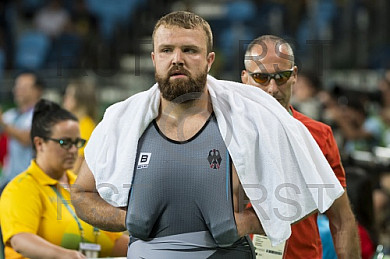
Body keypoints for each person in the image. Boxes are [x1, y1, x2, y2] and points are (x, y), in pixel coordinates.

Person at [71, 11, 345, 258]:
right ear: (154, 58)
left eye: (190, 50)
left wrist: (249, 222)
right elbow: (82, 194)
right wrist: (124, 219)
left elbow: (314, 190)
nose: (177, 59)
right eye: (167, 50)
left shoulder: (249, 120)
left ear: (209, 59)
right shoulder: (122, 121)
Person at [241, 34, 360, 258]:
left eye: (282, 76)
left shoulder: (319, 135)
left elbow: (341, 219)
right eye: (261, 78)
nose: (272, 89)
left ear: (294, 75)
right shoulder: (224, 134)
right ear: (244, 78)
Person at [0, 99, 129, 259]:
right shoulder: (21, 188)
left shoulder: (85, 189)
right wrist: (65, 255)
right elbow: (20, 240)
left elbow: (112, 242)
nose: (74, 150)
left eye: (77, 142)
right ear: (40, 143)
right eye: (65, 142)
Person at [0, 71, 43, 191]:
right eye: (17, 86)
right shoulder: (11, 115)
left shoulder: (44, 114)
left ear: (37, 91)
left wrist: (3, 123)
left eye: (23, 87)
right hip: (10, 180)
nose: (17, 90)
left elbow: (27, 139)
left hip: (32, 182)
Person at [63, 80, 97, 174]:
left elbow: (79, 160)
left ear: (79, 100)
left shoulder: (86, 125)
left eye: (69, 95)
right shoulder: (75, 124)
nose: (65, 98)